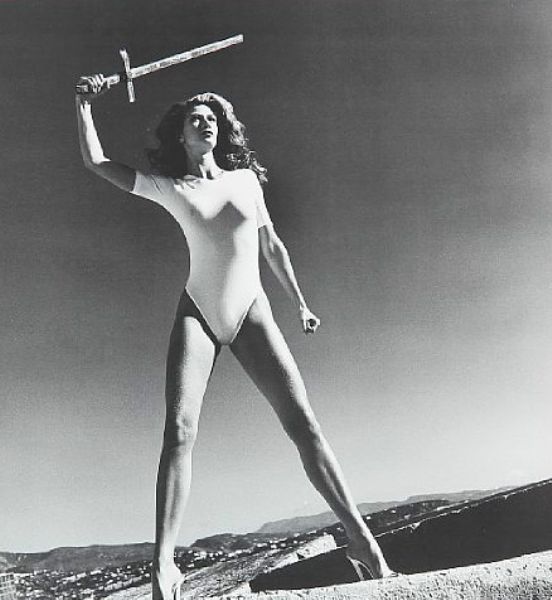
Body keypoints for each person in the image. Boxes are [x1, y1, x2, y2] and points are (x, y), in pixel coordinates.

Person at [75, 74, 396, 600]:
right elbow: (96, 162)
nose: (205, 123)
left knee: (304, 424)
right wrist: (84, 104)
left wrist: (301, 303)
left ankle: (362, 542)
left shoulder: (246, 180)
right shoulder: (171, 187)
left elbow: (272, 246)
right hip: (198, 312)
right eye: (195, 118)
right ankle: (163, 568)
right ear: (180, 135)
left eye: (212, 118)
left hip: (252, 309)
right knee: (179, 431)